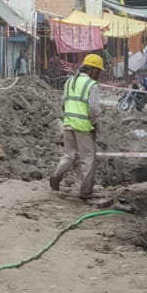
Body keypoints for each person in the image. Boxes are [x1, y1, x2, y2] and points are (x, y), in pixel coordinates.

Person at [49, 53, 103, 199]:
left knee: (69, 154)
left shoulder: (70, 81)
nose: (98, 75)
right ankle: (86, 192)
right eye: (98, 71)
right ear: (91, 69)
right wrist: (93, 123)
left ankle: (56, 175)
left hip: (68, 123)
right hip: (84, 126)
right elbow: (93, 109)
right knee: (87, 159)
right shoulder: (92, 85)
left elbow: (63, 103)